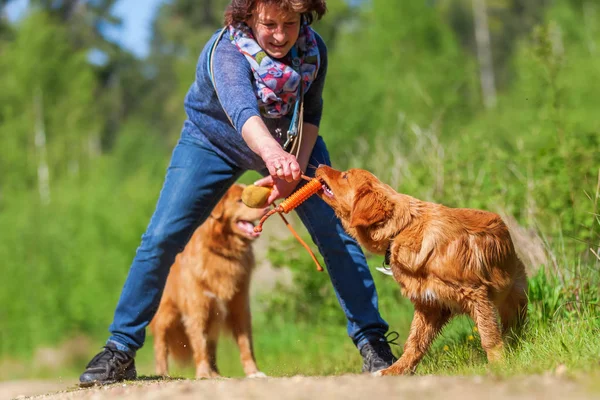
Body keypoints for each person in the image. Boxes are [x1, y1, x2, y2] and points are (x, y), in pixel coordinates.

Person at [79, 0, 396, 386]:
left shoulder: (314, 52)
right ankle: (120, 348)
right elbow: (242, 111)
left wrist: (292, 166)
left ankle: (373, 343)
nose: (280, 35)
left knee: (336, 231)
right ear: (247, 17)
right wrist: (274, 157)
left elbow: (311, 112)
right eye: (269, 24)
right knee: (162, 236)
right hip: (212, 140)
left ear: (304, 17)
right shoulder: (226, 52)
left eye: (290, 24)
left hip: (290, 143)